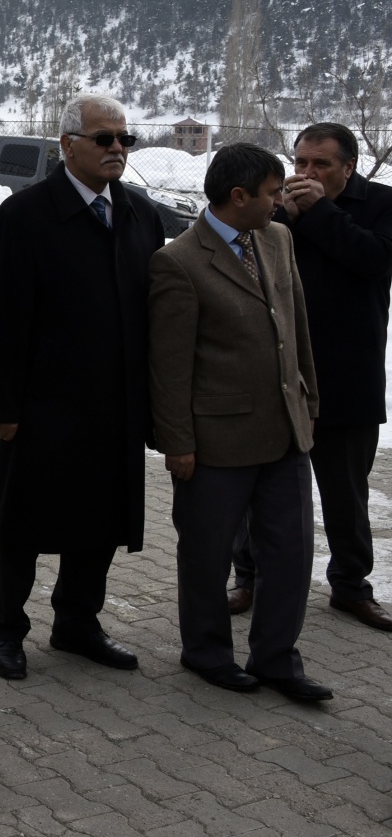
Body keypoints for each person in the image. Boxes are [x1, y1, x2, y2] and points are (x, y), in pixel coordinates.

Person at [0, 93, 163, 680]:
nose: (117, 150)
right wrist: (0, 405)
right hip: (43, 407)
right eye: (104, 139)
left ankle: (77, 622)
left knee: (101, 520)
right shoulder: (25, 216)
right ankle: (5, 629)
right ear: (68, 145)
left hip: (116, 404)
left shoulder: (140, 214)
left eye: (124, 140)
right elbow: (0, 316)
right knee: (23, 523)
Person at [149, 142, 332, 704]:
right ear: (238, 196)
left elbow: (295, 326)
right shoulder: (179, 261)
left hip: (284, 432)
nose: (281, 201)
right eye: (273, 193)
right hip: (216, 442)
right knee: (205, 555)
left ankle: (277, 659)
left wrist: (310, 403)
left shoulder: (277, 239)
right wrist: (177, 443)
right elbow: (170, 366)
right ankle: (207, 652)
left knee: (291, 552)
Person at [228, 123, 392, 631]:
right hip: (280, 373)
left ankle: (349, 585)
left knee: (346, 490)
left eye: (319, 164)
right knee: (259, 483)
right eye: (299, 162)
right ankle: (248, 577)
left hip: (348, 374)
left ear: (348, 166)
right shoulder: (276, 208)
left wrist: (320, 212)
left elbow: (375, 260)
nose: (305, 173)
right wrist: (289, 216)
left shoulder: (381, 204)